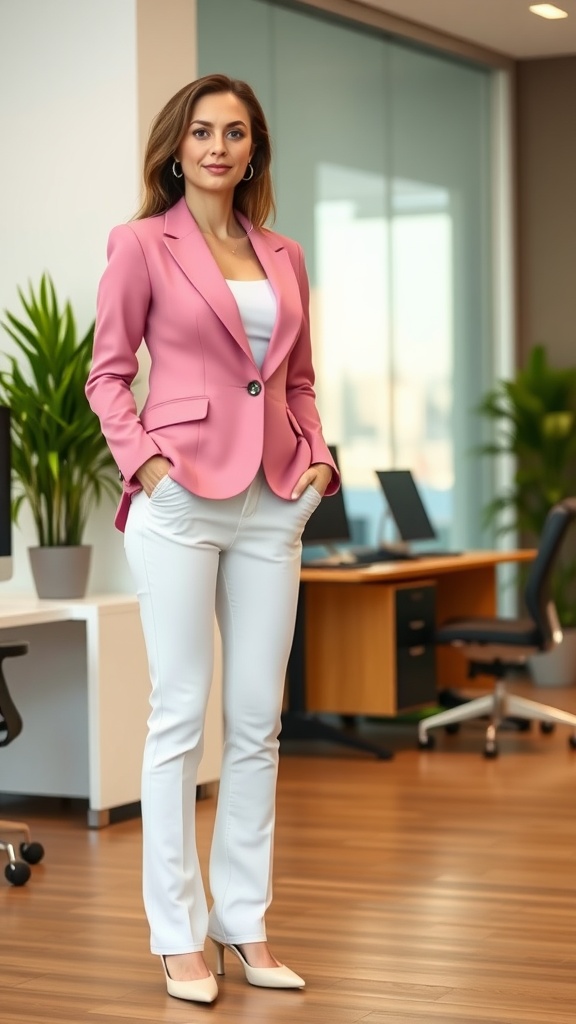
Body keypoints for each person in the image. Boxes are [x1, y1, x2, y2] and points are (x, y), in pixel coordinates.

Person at [86, 74, 339, 1004]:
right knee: (179, 713)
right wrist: (149, 468)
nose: (218, 147)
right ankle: (175, 934)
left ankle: (244, 922)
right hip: (181, 499)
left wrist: (319, 458)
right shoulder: (139, 245)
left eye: (235, 133)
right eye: (202, 132)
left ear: (253, 149)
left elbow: (299, 379)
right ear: (177, 145)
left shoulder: (284, 253)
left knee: (256, 723)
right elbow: (107, 376)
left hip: (275, 500)